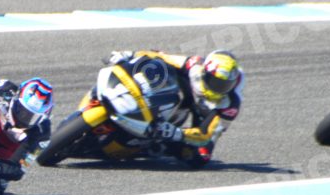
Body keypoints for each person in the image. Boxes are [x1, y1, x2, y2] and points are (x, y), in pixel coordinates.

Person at [105, 49, 244, 168]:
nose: (218, 88)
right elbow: (160, 56)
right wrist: (129, 54)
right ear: (204, 72)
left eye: (224, 85)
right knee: (159, 67)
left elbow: (205, 135)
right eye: (215, 82)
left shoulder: (230, 104)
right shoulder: (194, 65)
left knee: (199, 157)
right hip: (183, 91)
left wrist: (176, 133)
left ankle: (156, 147)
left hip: (206, 112)